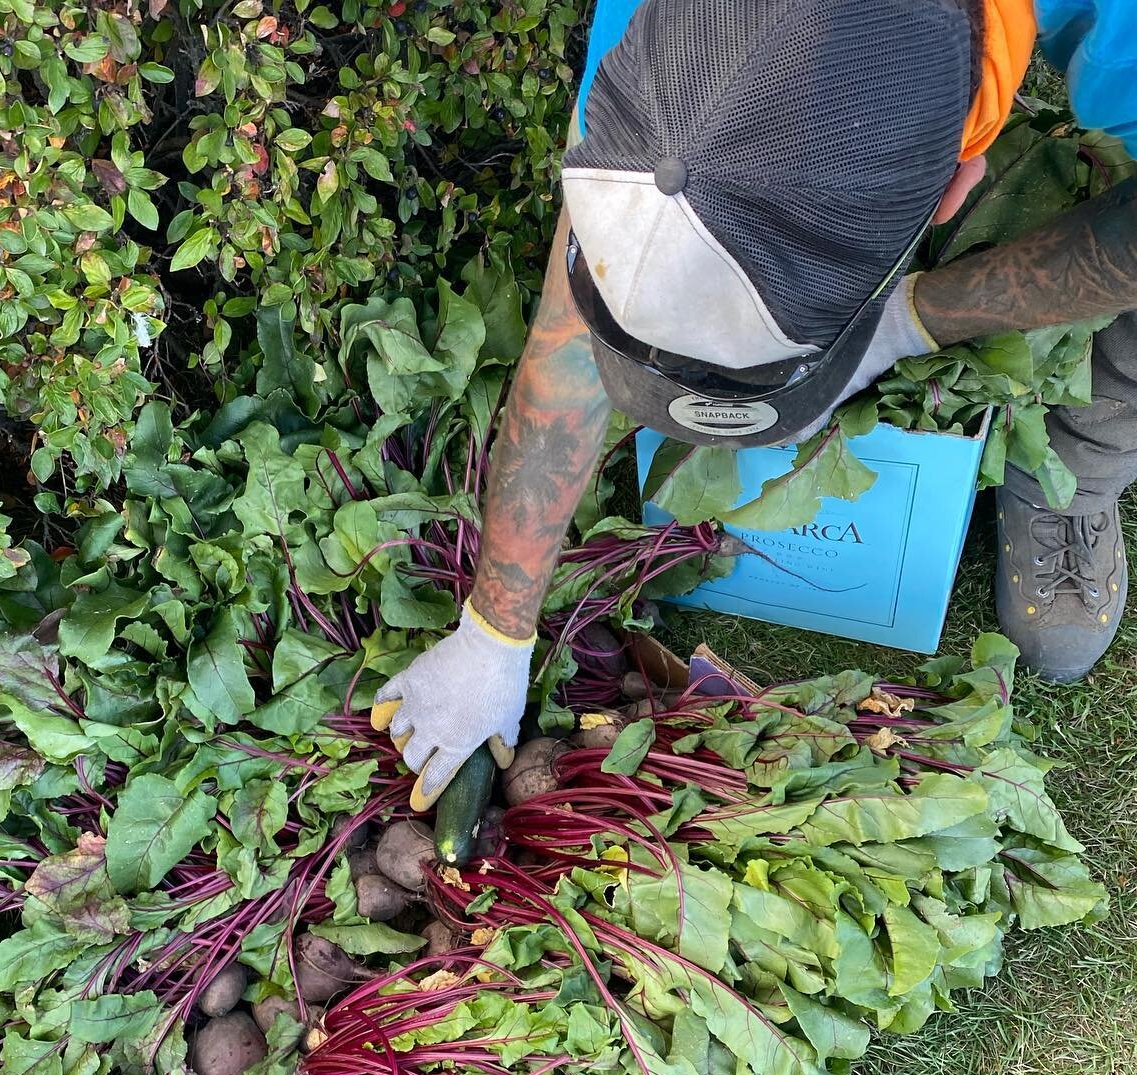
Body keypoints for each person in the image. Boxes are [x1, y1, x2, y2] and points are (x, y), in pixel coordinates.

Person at [372, 0, 1137, 810]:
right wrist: (494, 630)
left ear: (955, 186)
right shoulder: (642, 46)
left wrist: (916, 318)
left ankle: (1083, 465)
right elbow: (574, 327)